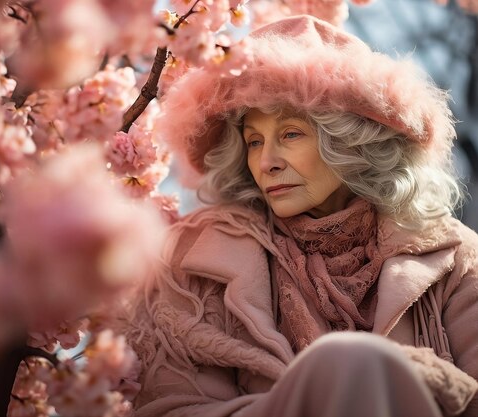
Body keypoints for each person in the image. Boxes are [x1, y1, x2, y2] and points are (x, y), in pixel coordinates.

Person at [120, 15, 478, 417]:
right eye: (254, 141)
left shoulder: (455, 256)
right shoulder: (193, 259)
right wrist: (329, 384)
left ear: (350, 142)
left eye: (290, 134)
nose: (266, 162)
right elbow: (171, 408)